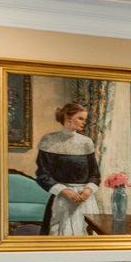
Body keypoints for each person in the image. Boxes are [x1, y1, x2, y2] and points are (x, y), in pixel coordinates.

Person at [33, 100, 101, 235]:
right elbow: (43, 175)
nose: (84, 122)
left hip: (85, 200)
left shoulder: (86, 142)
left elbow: (95, 174)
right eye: (80, 118)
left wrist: (88, 191)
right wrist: (65, 191)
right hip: (62, 200)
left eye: (85, 119)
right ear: (68, 118)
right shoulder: (49, 140)